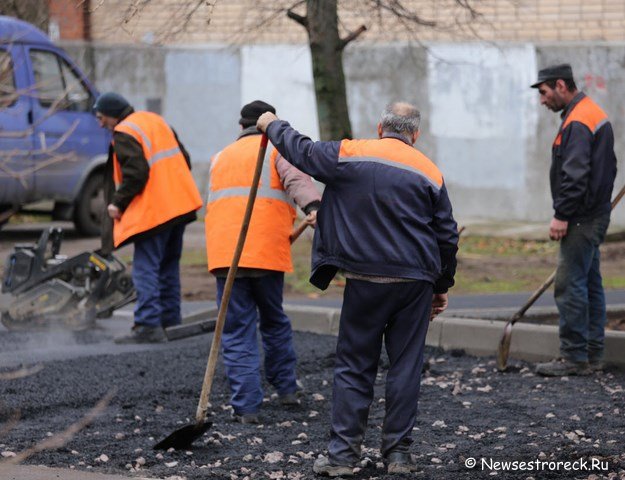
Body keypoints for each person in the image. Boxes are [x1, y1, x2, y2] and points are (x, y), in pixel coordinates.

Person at [257, 102, 458, 477]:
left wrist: (272, 124)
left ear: (380, 127)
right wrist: (441, 285)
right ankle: (398, 456)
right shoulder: (430, 171)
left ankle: (342, 458)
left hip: (365, 281)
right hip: (415, 283)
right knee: (405, 366)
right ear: (414, 135)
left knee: (353, 367)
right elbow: (446, 235)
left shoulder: (350, 153)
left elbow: (301, 150)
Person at [204, 100, 321, 424]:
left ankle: (247, 409)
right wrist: (313, 206)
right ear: (269, 123)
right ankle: (286, 390)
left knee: (236, 330)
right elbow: (298, 181)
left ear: (241, 126)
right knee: (273, 321)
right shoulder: (275, 149)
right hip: (266, 254)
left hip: (226, 257)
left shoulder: (219, 157)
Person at [94, 92, 203, 344]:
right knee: (168, 267)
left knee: (145, 268)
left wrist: (117, 203)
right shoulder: (156, 121)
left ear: (112, 114)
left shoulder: (125, 131)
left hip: (155, 214)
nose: (101, 124)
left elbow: (136, 173)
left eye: (101, 118)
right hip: (180, 208)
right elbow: (183, 158)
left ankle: (147, 325)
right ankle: (170, 321)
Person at [531, 65, 617, 376]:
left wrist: (562, 215)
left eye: (543, 92)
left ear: (560, 85)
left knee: (569, 285)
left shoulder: (579, 121)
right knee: (590, 283)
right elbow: (609, 167)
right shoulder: (589, 113)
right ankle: (592, 355)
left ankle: (574, 357)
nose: (542, 100)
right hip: (594, 213)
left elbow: (575, 174)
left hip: (581, 218)